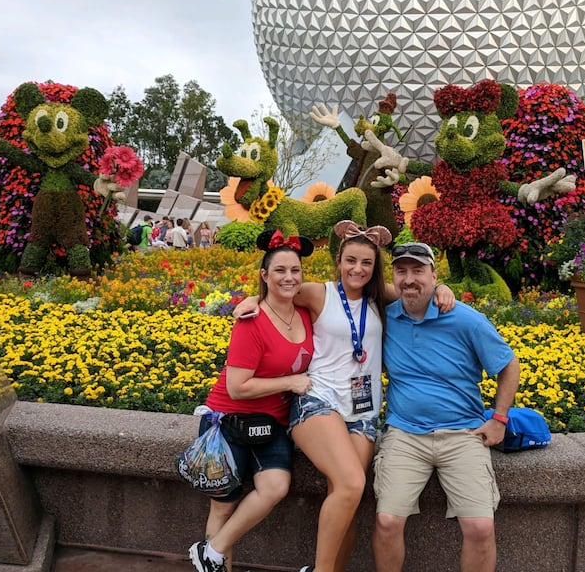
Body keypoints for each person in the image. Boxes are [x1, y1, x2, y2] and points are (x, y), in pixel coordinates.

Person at [234, 222, 454, 572]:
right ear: (339, 260)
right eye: (351, 260)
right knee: (353, 483)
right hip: (318, 400)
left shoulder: (379, 295)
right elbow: (279, 287)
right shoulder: (318, 293)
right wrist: (251, 298)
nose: (358, 269)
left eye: (366, 263)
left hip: (363, 411)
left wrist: (441, 287)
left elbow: (416, 288)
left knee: (347, 497)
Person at [371, 241, 521, 572]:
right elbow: (348, 284)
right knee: (386, 521)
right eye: (401, 271)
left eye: (418, 271)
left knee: (480, 527)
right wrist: (260, 298)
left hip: (464, 434)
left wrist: (499, 418)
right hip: (405, 435)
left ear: (434, 275)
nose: (409, 279)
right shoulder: (385, 316)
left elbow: (509, 365)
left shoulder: (466, 319)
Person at [189, 228, 316, 572]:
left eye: (295, 271)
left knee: (275, 487)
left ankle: (211, 551)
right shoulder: (251, 320)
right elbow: (237, 387)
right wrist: (291, 381)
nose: (289, 277)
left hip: (272, 423)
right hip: (229, 421)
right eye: (280, 270)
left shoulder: (305, 312)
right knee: (223, 507)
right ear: (264, 275)